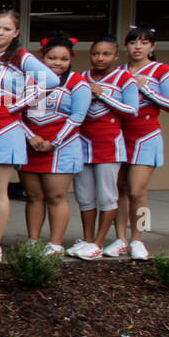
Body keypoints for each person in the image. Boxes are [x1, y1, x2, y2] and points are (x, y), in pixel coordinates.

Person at [0, 9, 59, 265]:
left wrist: (20, 104)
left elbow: (50, 79)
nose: (0, 33)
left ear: (16, 33)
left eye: (7, 29)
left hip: (5, 128)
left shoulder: (20, 57)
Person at [113, 26, 169, 261]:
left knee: (138, 191)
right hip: (119, 135)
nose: (137, 47)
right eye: (133, 42)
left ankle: (139, 238)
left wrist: (146, 88)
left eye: (143, 42)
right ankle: (120, 237)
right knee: (118, 190)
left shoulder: (162, 71)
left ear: (153, 46)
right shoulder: (119, 71)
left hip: (146, 136)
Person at [19, 35, 89, 254]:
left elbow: (78, 117)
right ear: (42, 57)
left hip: (62, 147)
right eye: (52, 58)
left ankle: (55, 243)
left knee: (56, 197)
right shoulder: (28, 80)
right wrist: (30, 137)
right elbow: (15, 114)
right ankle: (33, 240)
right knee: (33, 196)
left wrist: (54, 142)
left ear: (71, 59)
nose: (57, 63)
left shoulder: (77, 83)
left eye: (64, 59)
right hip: (31, 145)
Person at [70, 36, 137, 261]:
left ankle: (99, 242)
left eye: (106, 54)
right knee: (85, 196)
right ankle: (88, 240)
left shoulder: (125, 78)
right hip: (83, 144)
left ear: (116, 56)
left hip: (110, 145)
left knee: (107, 196)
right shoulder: (81, 78)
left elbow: (131, 111)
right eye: (96, 53)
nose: (100, 58)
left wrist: (102, 94)